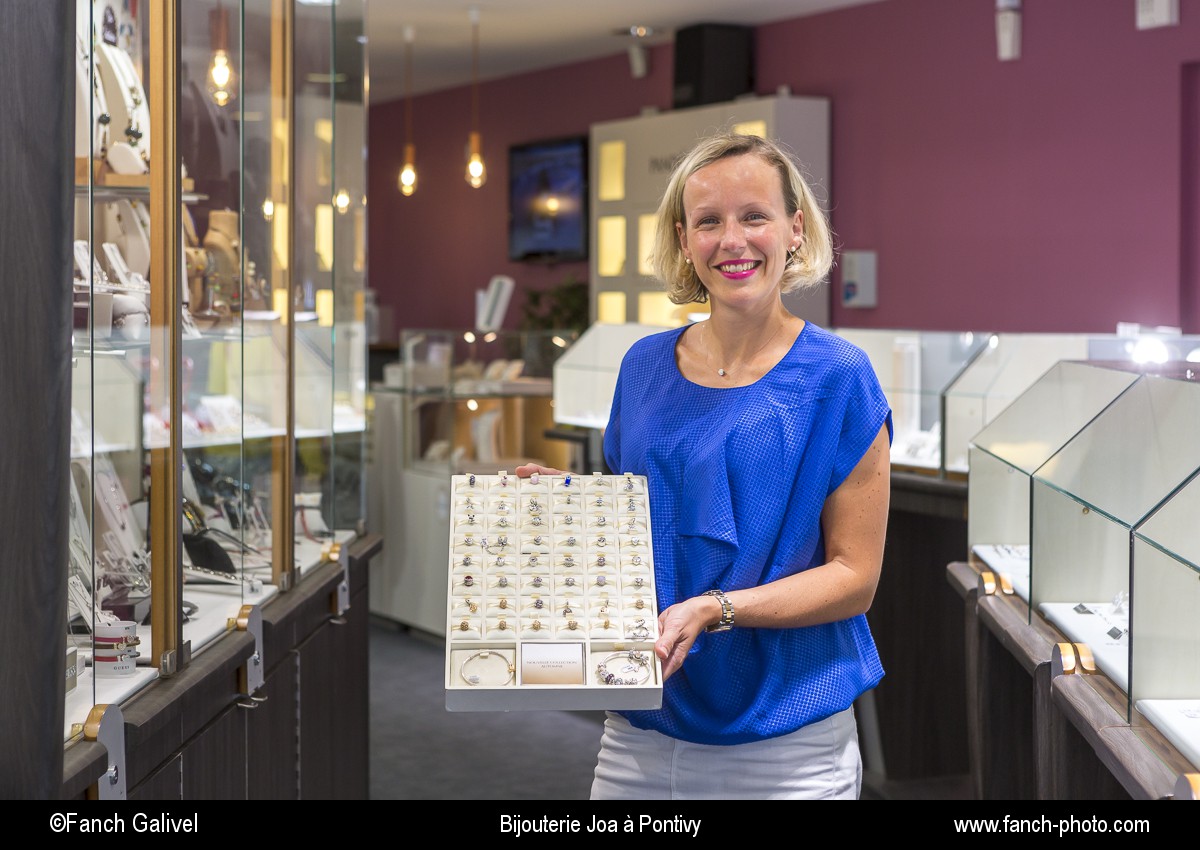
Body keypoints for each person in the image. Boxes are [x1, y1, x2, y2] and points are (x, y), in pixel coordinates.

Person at [517, 130, 892, 800]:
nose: (733, 240)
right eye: (709, 221)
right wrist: (573, 503)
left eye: (755, 216)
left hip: (789, 741)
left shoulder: (839, 377)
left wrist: (717, 608)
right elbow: (647, 515)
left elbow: (855, 578)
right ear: (685, 241)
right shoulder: (642, 368)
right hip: (643, 725)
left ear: (794, 230)